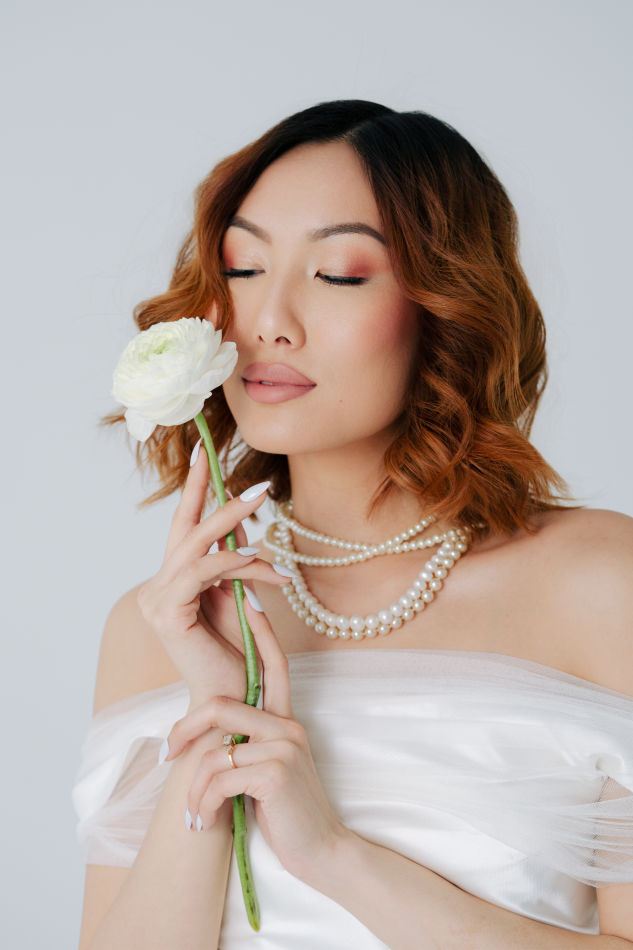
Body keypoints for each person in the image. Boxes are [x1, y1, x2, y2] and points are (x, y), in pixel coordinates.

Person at [73, 99, 633, 949]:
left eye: (337, 274)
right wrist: (218, 716)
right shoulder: (159, 629)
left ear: (446, 305)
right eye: (242, 268)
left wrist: (333, 854)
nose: (269, 321)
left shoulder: (599, 584)